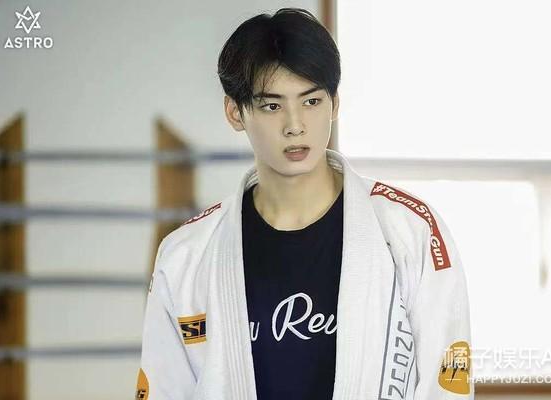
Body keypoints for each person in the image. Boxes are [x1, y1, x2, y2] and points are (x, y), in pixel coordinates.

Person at [136, 7, 473, 400]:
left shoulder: (410, 232)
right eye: (272, 105)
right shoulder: (186, 256)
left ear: (335, 103)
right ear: (235, 112)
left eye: (311, 101)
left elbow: (447, 383)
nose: (295, 125)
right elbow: (163, 389)